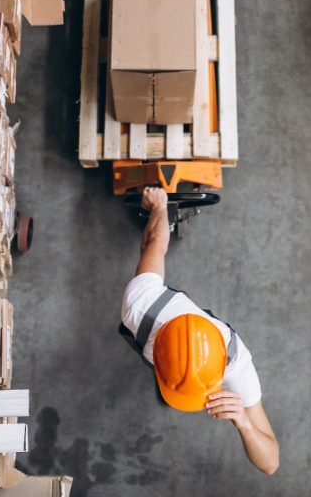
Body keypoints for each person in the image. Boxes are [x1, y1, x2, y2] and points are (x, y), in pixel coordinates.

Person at [119, 187, 279, 475]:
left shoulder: (237, 368)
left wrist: (243, 421)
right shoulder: (140, 306)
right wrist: (160, 208)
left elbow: (271, 463)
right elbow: (154, 242)